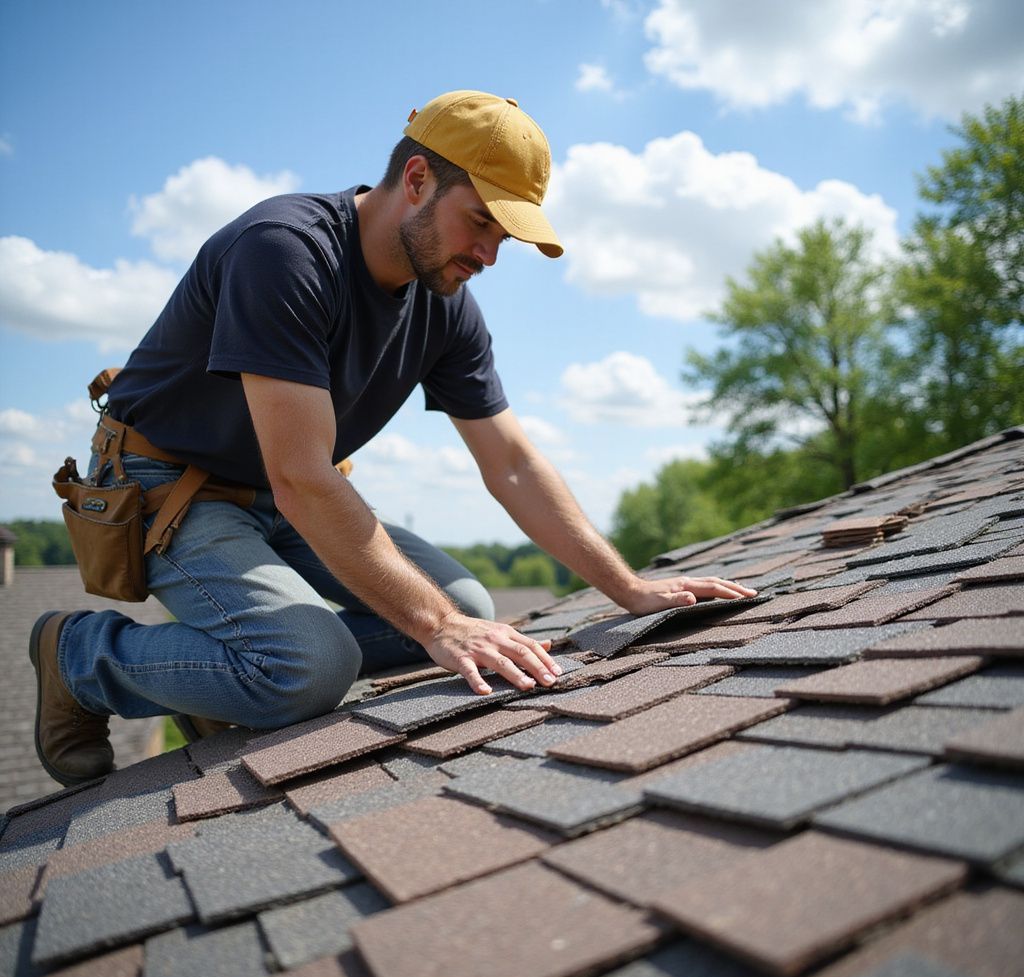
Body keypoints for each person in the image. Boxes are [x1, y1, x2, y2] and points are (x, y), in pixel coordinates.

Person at [30, 90, 755, 787]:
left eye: (503, 237)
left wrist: (626, 587)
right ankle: (80, 657)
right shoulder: (284, 250)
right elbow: (304, 475)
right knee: (312, 667)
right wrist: (436, 625)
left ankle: (217, 681)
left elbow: (510, 464)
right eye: (480, 222)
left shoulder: (446, 305)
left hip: (284, 495)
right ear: (416, 179)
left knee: (469, 599)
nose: (488, 256)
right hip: (171, 485)